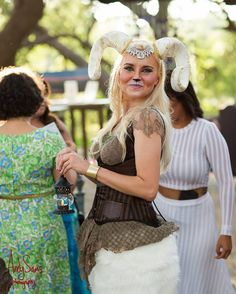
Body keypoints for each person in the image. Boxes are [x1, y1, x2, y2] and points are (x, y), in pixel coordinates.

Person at [56, 31, 190, 294]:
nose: (136, 75)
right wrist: (77, 162)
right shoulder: (123, 117)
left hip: (135, 254)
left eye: (146, 70)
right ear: (118, 73)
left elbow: (147, 188)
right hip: (111, 241)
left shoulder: (147, 118)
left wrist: (89, 168)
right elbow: (114, 175)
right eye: (129, 67)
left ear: (157, 79)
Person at [154, 75, 235, 294]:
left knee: (197, 279)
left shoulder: (207, 131)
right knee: (169, 279)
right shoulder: (158, 132)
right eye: (160, 100)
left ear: (184, 97)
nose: (166, 106)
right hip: (162, 214)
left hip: (199, 216)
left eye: (171, 99)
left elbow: (226, 182)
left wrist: (226, 231)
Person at [0, 66, 77, 293]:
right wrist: (65, 214)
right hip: (44, 225)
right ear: (34, 100)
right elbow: (67, 182)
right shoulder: (49, 137)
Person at [30, 77, 90, 294]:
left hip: (61, 188)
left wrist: (68, 147)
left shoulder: (53, 123)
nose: (41, 104)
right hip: (37, 196)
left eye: (43, 99)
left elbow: (70, 144)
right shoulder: (20, 127)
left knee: (66, 231)